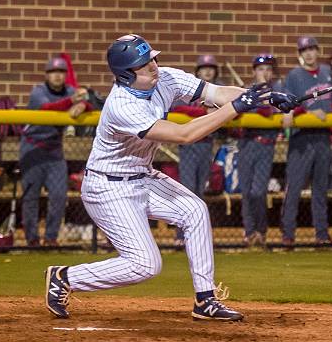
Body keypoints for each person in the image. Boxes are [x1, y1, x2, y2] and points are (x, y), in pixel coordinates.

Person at [44, 34, 297, 321]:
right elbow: (184, 134)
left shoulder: (165, 78)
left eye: (152, 57)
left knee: (195, 210)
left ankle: (205, 300)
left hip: (142, 176)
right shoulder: (122, 105)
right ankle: (66, 277)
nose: (153, 65)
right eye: (144, 63)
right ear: (126, 74)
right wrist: (238, 108)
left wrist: (264, 98)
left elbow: (216, 93)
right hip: (107, 189)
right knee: (145, 265)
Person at [281, 36, 332, 248]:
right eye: (304, 50)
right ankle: (288, 235)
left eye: (312, 49)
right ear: (300, 54)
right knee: (294, 188)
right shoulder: (294, 76)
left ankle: (321, 235)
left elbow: (331, 103)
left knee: (321, 189)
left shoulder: (326, 72)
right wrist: (308, 111)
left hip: (324, 138)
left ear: (317, 50)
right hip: (302, 139)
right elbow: (288, 104)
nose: (309, 53)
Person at [20, 57, 91, 247]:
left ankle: (51, 238)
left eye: (60, 72)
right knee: (30, 197)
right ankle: (32, 239)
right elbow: (48, 108)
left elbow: (89, 104)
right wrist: (72, 101)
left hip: (54, 150)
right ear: (47, 75)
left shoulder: (69, 91)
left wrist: (82, 105)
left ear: (65, 75)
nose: (57, 76)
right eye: (52, 72)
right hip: (32, 148)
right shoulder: (38, 91)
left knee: (59, 195)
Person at [170, 55, 222, 247]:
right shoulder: (190, 88)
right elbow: (177, 109)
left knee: (200, 191)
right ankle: (180, 235)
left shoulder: (217, 91)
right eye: (204, 68)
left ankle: (194, 236)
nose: (207, 71)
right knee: (187, 189)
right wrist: (202, 112)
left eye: (211, 68)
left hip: (206, 145)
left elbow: (228, 110)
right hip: (188, 146)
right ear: (197, 71)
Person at [236, 54, 283, 247]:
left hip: (265, 145)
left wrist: (264, 87)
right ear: (254, 71)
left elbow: (267, 110)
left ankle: (261, 231)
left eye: (268, 69)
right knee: (246, 191)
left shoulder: (276, 91)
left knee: (258, 191)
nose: (264, 72)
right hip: (246, 144)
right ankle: (250, 233)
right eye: (261, 69)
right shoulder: (246, 91)